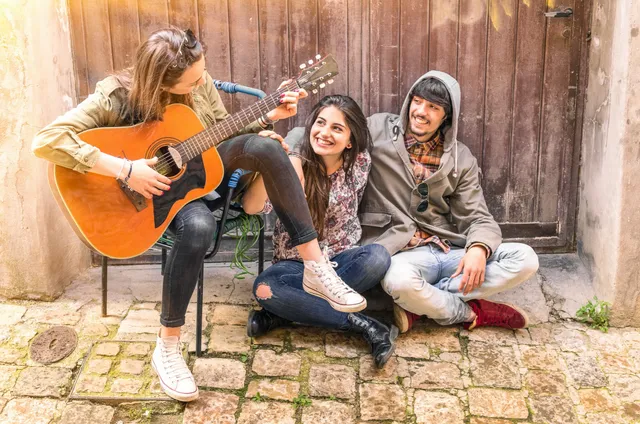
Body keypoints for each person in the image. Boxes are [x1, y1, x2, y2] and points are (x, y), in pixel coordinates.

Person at [31, 28, 366, 402]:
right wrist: (125, 170)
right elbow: (47, 140)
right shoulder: (115, 94)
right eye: (192, 80)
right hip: (158, 199)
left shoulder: (199, 80)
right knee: (199, 227)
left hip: (204, 175)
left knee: (267, 149)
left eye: (202, 72)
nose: (201, 81)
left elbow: (218, 132)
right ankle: (168, 347)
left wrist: (266, 116)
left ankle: (315, 268)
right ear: (161, 80)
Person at [287, 71, 539, 334]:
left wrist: (478, 248)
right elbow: (307, 132)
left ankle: (420, 304)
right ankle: (469, 311)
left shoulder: (460, 158)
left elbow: (478, 216)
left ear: (446, 116)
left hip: (445, 250)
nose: (421, 111)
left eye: (433, 107)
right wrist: (294, 155)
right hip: (399, 255)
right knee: (400, 282)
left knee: (525, 259)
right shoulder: (377, 130)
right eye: (417, 102)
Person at [241, 95, 397, 368]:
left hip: (340, 266)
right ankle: (367, 326)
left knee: (378, 257)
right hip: (294, 268)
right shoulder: (292, 166)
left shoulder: (359, 164)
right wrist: (270, 165)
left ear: (350, 140)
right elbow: (252, 206)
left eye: (337, 128)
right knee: (265, 288)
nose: (324, 133)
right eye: (320, 123)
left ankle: (283, 314)